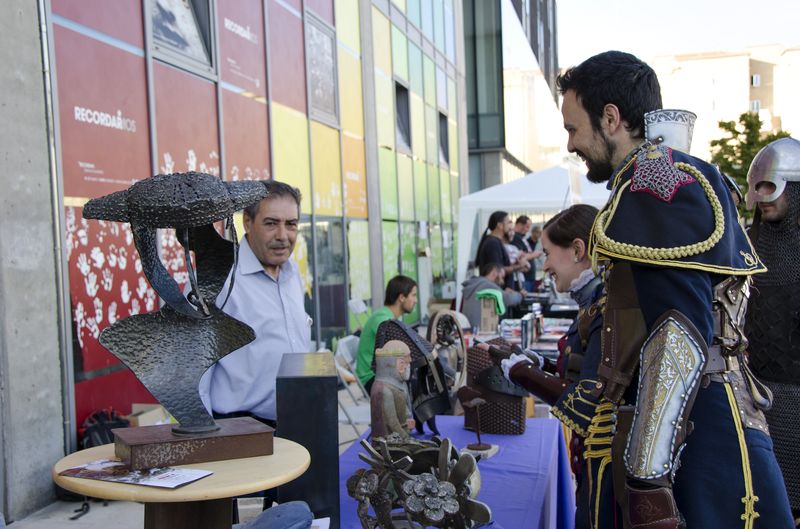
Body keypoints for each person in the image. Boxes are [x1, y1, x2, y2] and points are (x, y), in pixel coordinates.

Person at [547, 50, 792, 529]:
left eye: (573, 128)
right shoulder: (664, 177)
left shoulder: (654, 182)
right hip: (694, 427)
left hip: (697, 440)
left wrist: (647, 479)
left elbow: (678, 335)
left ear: (611, 118)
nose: (571, 143)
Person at [497, 204, 605, 528]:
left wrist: (522, 373)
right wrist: (540, 363)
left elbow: (586, 405)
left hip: (604, 470)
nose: (544, 265)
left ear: (577, 250)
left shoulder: (605, 309)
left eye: (547, 253)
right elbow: (583, 370)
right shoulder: (596, 303)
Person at [198, 180, 311, 427]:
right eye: (271, 223)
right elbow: (193, 372)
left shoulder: (292, 273)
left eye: (291, 224)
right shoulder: (217, 281)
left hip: (297, 420)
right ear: (247, 222)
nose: (283, 236)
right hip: (240, 429)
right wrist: (203, 434)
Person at [744, 137, 800, 523]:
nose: (763, 196)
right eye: (758, 186)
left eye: (771, 185)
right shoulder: (747, 246)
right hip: (754, 393)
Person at [355, 275, 417, 394]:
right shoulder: (383, 320)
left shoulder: (386, 316)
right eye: (413, 295)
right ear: (402, 297)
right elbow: (406, 347)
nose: (416, 300)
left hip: (381, 374)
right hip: (371, 379)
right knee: (419, 385)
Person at [369, 340, 414, 440]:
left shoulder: (402, 383)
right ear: (400, 365)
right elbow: (392, 423)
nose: (409, 366)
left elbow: (407, 410)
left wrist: (410, 423)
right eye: (407, 363)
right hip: (392, 440)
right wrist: (406, 438)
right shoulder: (383, 390)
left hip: (404, 435)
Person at [474, 211, 528, 290]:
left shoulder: (496, 242)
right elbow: (498, 270)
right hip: (495, 291)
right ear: (500, 225)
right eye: (508, 222)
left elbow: (500, 265)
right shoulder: (492, 243)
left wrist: (516, 262)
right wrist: (520, 266)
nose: (510, 226)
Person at [460, 263, 523, 329]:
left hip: (469, 330)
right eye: (502, 277)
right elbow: (509, 299)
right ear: (494, 272)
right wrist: (520, 295)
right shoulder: (487, 285)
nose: (502, 282)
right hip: (480, 331)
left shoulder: (475, 285)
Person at [511, 215, 541, 291]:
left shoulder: (522, 238)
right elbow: (520, 257)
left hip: (528, 277)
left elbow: (525, 254)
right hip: (524, 278)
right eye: (527, 227)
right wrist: (533, 255)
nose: (528, 230)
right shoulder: (515, 238)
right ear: (519, 225)